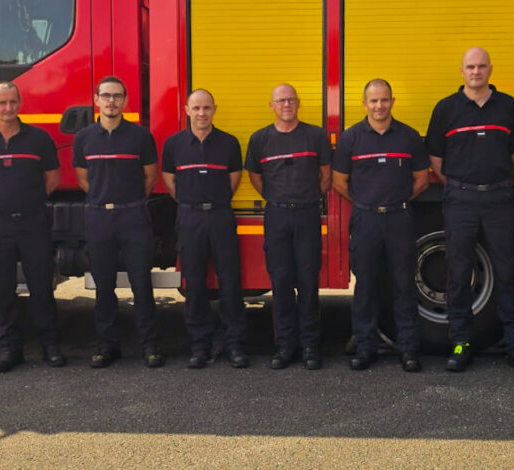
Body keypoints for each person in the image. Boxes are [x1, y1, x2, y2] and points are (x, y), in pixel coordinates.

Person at [425, 47, 514, 373]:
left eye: (481, 66)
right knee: (458, 274)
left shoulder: (508, 106)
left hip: (499, 199)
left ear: (491, 69)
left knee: (508, 271)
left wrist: (492, 179)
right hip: (460, 200)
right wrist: (461, 183)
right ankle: (461, 341)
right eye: (470, 67)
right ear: (462, 71)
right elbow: (435, 156)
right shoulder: (446, 109)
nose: (476, 71)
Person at [0, 81, 64, 373]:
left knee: (42, 287)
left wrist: (29, 202)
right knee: (1, 291)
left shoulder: (38, 139)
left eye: (13, 102)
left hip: (33, 223)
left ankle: (50, 347)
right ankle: (10, 350)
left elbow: (52, 179)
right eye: (2, 103)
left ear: (20, 103)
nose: (8, 109)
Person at [332, 79, 430, 372]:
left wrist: (397, 201)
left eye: (384, 100)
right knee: (366, 286)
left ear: (392, 101)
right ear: (364, 104)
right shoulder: (350, 138)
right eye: (373, 101)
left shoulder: (409, 137)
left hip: (399, 218)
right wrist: (367, 203)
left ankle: (409, 350)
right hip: (366, 219)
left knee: (404, 284)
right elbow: (339, 182)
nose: (379, 106)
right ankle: (365, 348)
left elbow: (422, 181)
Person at [73, 76, 163, 368]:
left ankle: (150, 346)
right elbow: (82, 177)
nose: (111, 101)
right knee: (104, 286)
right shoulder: (84, 137)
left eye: (117, 96)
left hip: (133, 215)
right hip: (99, 216)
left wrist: (127, 201)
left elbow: (150, 177)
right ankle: (107, 347)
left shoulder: (140, 136)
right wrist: (104, 200)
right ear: (96, 99)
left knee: (141, 283)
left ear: (125, 101)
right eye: (106, 95)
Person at [245, 83, 332, 370]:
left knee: (308, 282)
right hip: (277, 216)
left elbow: (326, 175)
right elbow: (256, 177)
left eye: (291, 100)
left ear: (298, 103)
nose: (286, 105)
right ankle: (284, 347)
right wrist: (276, 198)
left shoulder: (315, 136)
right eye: (280, 101)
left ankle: (310, 347)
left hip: (307, 215)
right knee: (281, 283)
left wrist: (308, 199)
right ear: (272, 105)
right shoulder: (260, 139)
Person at [161, 89, 249, 369]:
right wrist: (192, 205)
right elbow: (169, 181)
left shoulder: (229, 143)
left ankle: (235, 346)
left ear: (214, 109)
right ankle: (200, 347)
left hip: (221, 216)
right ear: (186, 110)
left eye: (207, 108)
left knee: (230, 283)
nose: (201, 113)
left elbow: (232, 182)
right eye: (196, 108)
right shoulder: (174, 144)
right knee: (195, 285)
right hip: (189, 219)